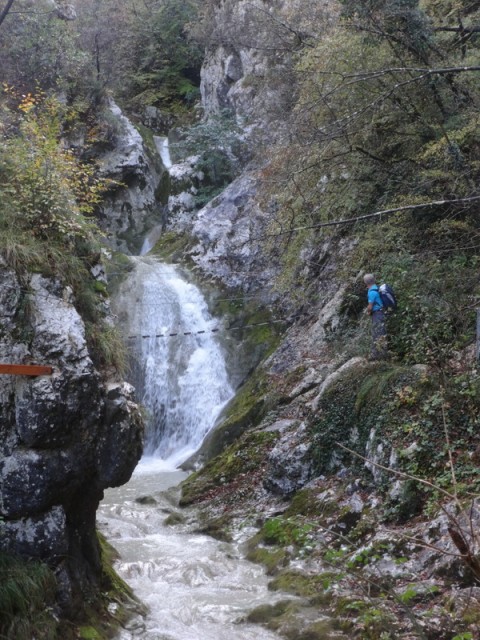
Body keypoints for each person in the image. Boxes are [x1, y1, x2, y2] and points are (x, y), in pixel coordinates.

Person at [363, 273, 387, 360]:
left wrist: (368, 312)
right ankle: (381, 354)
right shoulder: (376, 288)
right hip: (381, 312)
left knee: (377, 333)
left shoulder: (372, 292)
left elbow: (370, 306)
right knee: (381, 332)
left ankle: (376, 355)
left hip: (377, 314)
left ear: (366, 282)